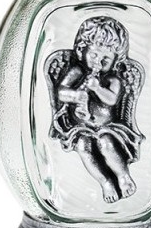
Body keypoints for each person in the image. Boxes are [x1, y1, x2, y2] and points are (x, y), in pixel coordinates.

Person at [46, 16, 145, 203]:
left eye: (106, 59)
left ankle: (123, 176)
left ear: (116, 61)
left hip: (108, 127)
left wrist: (97, 88)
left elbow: (112, 99)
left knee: (106, 144)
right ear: (82, 51)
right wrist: (76, 96)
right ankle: (105, 181)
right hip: (81, 127)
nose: (98, 62)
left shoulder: (112, 80)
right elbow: (61, 92)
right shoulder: (76, 72)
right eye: (94, 55)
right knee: (83, 147)